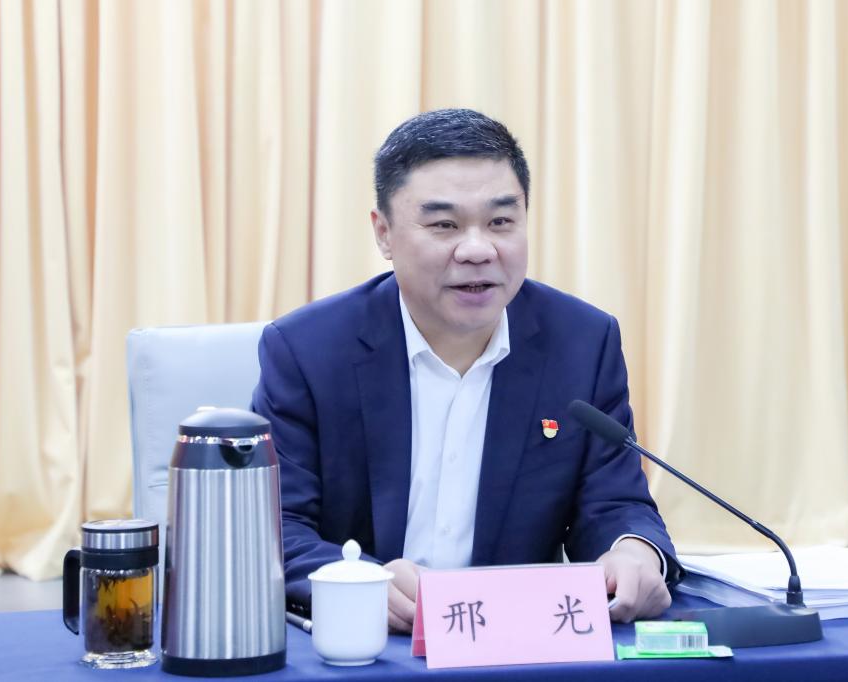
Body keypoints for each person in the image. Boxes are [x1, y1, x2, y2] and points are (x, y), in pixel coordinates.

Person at [252, 108, 682, 634]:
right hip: (368, 643)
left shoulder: (582, 343)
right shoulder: (307, 351)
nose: (478, 250)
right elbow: (275, 525)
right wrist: (357, 581)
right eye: (444, 225)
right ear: (384, 234)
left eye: (501, 222)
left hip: (514, 644)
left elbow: (614, 501)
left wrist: (634, 551)